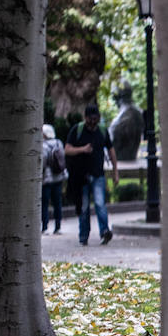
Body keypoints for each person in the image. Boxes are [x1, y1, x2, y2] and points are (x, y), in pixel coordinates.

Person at [65, 103, 119, 246]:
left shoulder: (102, 131)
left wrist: (115, 172)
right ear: (86, 118)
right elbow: (67, 149)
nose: (93, 122)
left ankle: (104, 232)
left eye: (96, 119)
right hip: (81, 177)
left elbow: (111, 150)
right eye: (91, 119)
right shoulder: (77, 130)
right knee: (84, 208)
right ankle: (83, 236)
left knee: (100, 204)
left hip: (97, 175)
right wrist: (82, 149)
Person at [40, 123, 66, 234]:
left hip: (46, 179)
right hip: (58, 178)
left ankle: (45, 227)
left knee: (45, 204)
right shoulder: (58, 143)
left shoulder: (43, 145)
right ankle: (58, 227)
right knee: (57, 203)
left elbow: (43, 163)